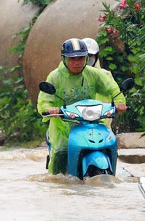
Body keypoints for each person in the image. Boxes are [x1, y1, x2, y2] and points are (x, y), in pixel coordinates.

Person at [36, 38, 128, 175]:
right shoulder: (55, 77)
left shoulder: (94, 74)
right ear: (64, 59)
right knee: (61, 152)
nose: (77, 62)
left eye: (81, 58)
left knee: (109, 143)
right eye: (72, 59)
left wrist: (119, 102)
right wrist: (49, 109)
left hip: (92, 121)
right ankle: (57, 182)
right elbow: (44, 100)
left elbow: (112, 89)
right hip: (63, 127)